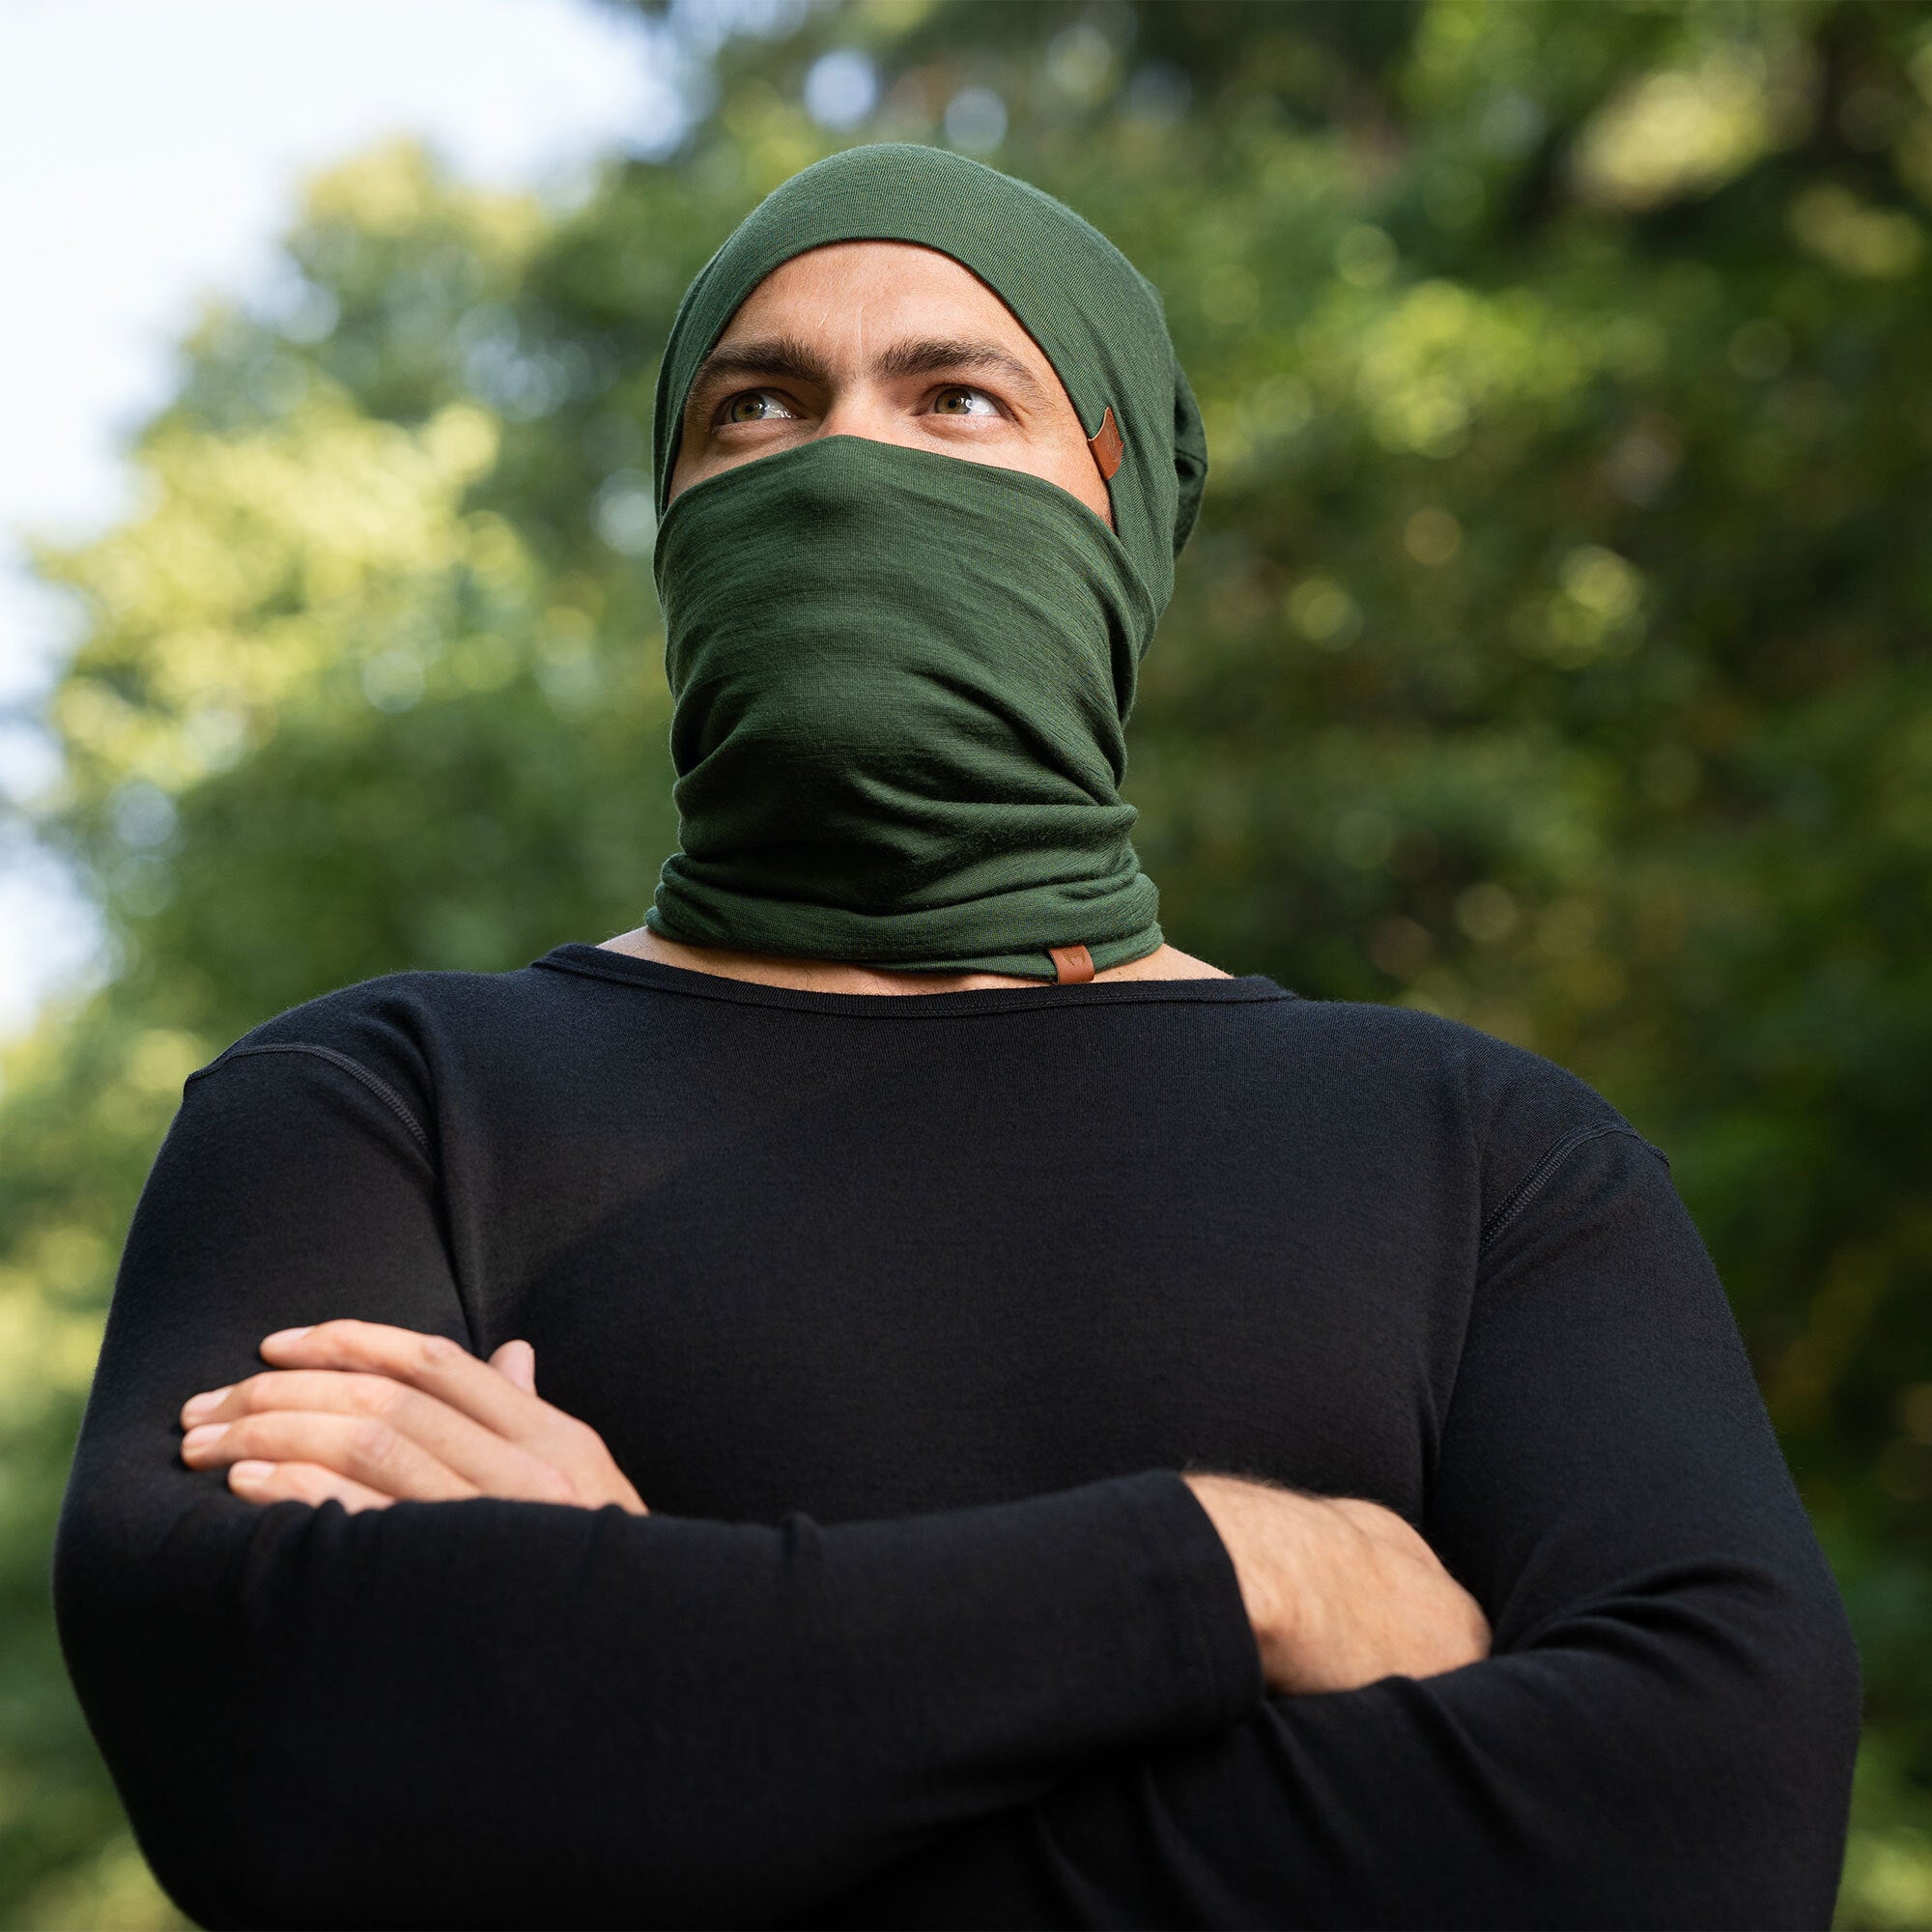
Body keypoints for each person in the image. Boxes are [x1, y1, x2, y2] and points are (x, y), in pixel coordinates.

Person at [54, 144, 1860, 1931]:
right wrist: (1244, 1573)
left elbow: (1708, 1820)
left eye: (958, 397)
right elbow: (279, 1763)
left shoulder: (1477, 1148)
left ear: (1124, 509)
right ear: (672, 524)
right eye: (757, 405)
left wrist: (646, 1648)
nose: (844, 464)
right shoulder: (380, 1109)